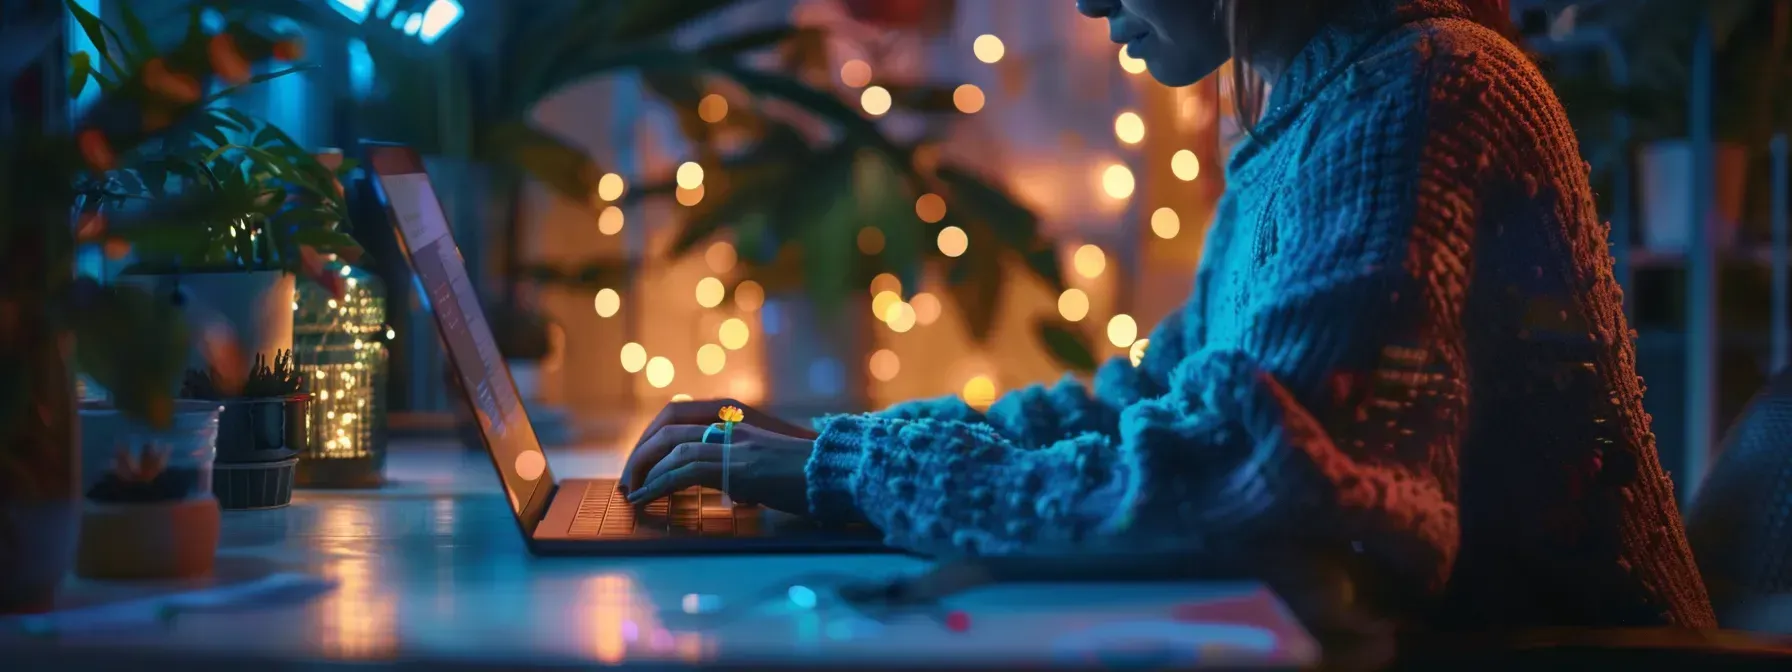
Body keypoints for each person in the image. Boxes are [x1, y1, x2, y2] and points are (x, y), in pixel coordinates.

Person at [621, 0, 1717, 630]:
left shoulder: (1428, 95)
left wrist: (859, 472)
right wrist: (831, 450)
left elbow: (1261, 477)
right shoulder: (1312, 111)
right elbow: (1151, 401)